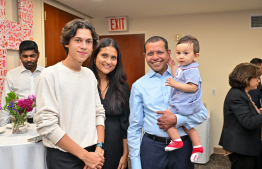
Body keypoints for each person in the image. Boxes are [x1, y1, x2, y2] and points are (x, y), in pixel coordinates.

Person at [34, 19, 105, 169]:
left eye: (89, 41)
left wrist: (99, 148)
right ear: (67, 42)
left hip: (93, 153)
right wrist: (85, 156)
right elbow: (47, 125)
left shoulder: (90, 75)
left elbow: (99, 112)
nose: (84, 46)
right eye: (78, 40)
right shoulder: (50, 75)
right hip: (64, 158)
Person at [128, 36, 208, 169]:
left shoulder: (185, 78)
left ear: (168, 53)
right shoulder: (139, 85)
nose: (155, 57)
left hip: (182, 148)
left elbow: (202, 114)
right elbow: (135, 126)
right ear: (145, 56)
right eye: (150, 53)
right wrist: (135, 163)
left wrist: (177, 119)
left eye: (159, 52)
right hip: (152, 148)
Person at [87, 38, 130, 169]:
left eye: (113, 57)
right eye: (104, 55)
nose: (108, 61)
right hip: (88, 145)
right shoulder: (84, 82)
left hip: (115, 146)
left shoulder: (122, 86)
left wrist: (125, 154)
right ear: (94, 56)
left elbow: (125, 122)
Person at [164, 35, 203, 162]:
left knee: (166, 119)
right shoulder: (183, 68)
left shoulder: (193, 70)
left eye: (186, 53)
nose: (181, 56)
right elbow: (178, 77)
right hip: (181, 103)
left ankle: (176, 140)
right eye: (178, 53)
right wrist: (173, 66)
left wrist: (174, 84)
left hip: (184, 104)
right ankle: (197, 146)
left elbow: (192, 88)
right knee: (188, 126)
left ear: (195, 56)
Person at [219, 63, 262, 169]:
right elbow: (248, 122)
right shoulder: (236, 95)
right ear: (246, 78)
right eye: (256, 77)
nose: (258, 80)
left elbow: (247, 114)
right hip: (240, 147)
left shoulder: (243, 93)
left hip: (246, 146)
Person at [0, 40, 44, 126]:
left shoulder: (46, 73)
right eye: (25, 56)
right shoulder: (11, 75)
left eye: (32, 56)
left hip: (43, 122)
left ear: (38, 54)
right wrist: (3, 128)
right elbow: (6, 102)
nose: (29, 60)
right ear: (20, 56)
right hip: (19, 123)